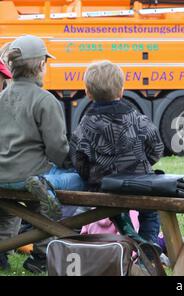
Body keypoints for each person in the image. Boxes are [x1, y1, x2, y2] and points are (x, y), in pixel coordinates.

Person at [0, 35, 85, 273]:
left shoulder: (1, 98)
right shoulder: (45, 101)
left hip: (2, 174)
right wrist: (70, 164)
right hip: (30, 175)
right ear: (40, 66)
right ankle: (41, 256)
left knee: (7, 213)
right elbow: (57, 149)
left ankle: (3, 252)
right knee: (47, 208)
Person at [69, 60, 164, 246]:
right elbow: (157, 148)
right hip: (138, 185)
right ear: (122, 90)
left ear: (88, 93)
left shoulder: (84, 125)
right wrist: (142, 163)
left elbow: (77, 158)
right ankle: (148, 247)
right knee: (150, 212)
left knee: (115, 211)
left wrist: (91, 174)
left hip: (102, 187)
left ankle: (130, 242)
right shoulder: (137, 119)